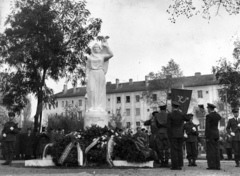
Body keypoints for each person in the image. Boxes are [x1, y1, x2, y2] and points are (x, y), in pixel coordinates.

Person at [86, 37, 113, 111]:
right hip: (92, 73)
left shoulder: (102, 56)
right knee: (91, 89)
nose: (96, 48)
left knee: (100, 90)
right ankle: (92, 107)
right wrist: (86, 76)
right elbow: (87, 68)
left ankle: (100, 107)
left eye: (97, 47)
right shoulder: (90, 58)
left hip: (100, 73)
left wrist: (106, 46)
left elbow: (111, 54)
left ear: (99, 48)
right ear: (93, 49)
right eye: (94, 47)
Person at [167, 101, 189, 170]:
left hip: (173, 135)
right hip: (180, 134)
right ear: (178, 107)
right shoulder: (181, 114)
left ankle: (175, 166)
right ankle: (180, 164)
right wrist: (182, 112)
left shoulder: (170, 115)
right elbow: (188, 118)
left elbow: (169, 127)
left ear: (172, 107)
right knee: (180, 150)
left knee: (174, 150)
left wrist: (169, 135)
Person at [205, 103, 222, 170]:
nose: (207, 110)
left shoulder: (208, 116)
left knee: (210, 150)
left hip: (210, 134)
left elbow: (207, 127)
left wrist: (206, 136)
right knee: (216, 150)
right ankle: (217, 165)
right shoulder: (217, 115)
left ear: (209, 109)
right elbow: (220, 117)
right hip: (216, 133)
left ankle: (212, 165)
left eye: (208, 109)